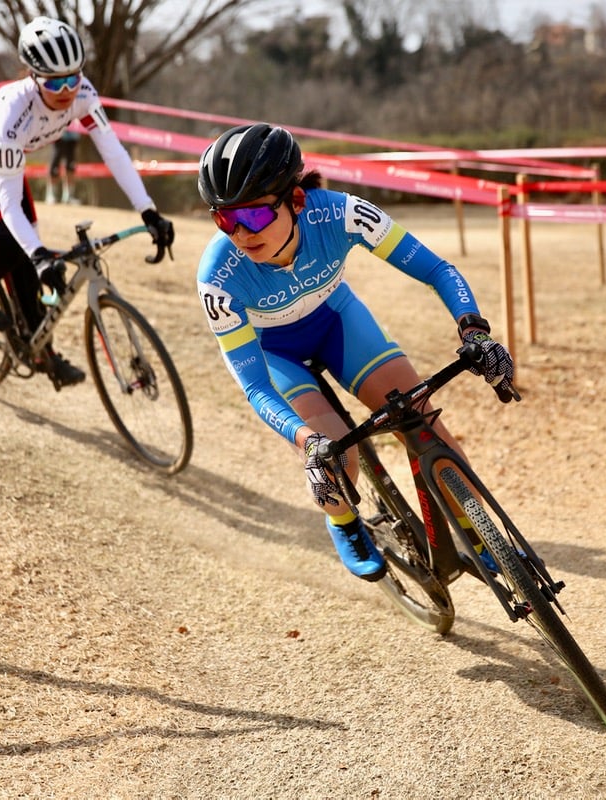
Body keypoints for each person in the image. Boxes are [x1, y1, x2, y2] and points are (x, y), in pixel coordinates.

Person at [195, 123, 516, 582]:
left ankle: (482, 538)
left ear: (297, 200)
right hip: (277, 353)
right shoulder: (218, 277)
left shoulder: (340, 214)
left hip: (338, 322)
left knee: (424, 423)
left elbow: (437, 270)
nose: (241, 235)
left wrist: (475, 332)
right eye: (225, 219)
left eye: (255, 217)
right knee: (337, 462)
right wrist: (306, 442)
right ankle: (344, 521)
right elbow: (255, 386)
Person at [0, 16, 175, 389]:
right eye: (54, 81)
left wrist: (149, 210)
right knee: (8, 246)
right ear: (32, 75)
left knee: (30, 261)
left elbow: (115, 153)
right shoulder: (13, 112)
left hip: (2, 169)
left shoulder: (85, 95)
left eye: (73, 77)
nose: (66, 89)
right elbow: (9, 205)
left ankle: (41, 351)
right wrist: (39, 253)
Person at [47, 128, 81, 204]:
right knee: (55, 163)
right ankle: (51, 195)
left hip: (73, 135)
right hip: (58, 134)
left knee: (71, 165)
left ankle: (68, 196)